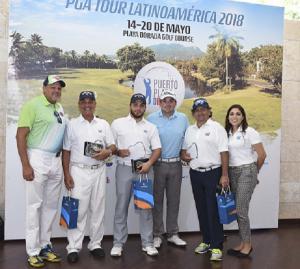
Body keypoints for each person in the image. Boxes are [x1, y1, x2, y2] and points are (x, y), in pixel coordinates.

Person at [16, 75, 67, 268]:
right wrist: (26, 165)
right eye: (53, 87)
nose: (56, 91)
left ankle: (45, 246)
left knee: (50, 207)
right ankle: (33, 251)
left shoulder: (59, 108)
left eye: (59, 88)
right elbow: (20, 136)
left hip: (55, 161)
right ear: (44, 88)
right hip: (37, 159)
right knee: (34, 206)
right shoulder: (32, 105)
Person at [62, 91, 116, 263]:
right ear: (79, 104)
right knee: (77, 210)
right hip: (79, 171)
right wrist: (66, 174)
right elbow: (66, 151)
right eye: (84, 102)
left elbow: (113, 146)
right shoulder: (72, 124)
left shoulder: (103, 124)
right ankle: (73, 247)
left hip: (99, 170)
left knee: (98, 208)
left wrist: (107, 151)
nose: (87, 105)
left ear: (95, 104)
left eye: (90, 102)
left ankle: (95, 244)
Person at [110, 93, 161, 257]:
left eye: (141, 105)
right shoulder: (118, 124)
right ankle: (118, 243)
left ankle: (148, 243)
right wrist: (118, 151)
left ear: (145, 107)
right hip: (124, 169)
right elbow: (110, 147)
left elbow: (157, 149)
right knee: (121, 207)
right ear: (130, 106)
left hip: (144, 170)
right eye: (135, 105)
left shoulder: (151, 127)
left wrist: (149, 164)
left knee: (145, 208)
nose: (138, 108)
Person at [181, 98, 229, 262]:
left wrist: (224, 174)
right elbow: (184, 152)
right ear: (193, 113)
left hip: (213, 173)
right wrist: (184, 156)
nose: (200, 113)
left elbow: (224, 153)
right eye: (197, 110)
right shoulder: (190, 130)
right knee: (201, 209)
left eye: (203, 109)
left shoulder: (217, 128)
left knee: (213, 210)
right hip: (195, 173)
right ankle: (207, 241)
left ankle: (217, 245)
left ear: (209, 111)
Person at [147, 90, 189, 248]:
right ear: (160, 102)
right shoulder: (151, 119)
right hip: (157, 164)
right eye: (165, 100)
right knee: (157, 201)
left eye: (171, 100)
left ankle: (172, 233)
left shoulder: (183, 119)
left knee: (174, 200)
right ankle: (157, 234)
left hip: (176, 164)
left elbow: (186, 140)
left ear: (175, 103)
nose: (168, 103)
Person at [225, 104, 266, 258]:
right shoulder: (227, 133)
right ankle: (243, 242)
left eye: (238, 114)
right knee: (238, 210)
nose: (234, 116)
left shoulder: (250, 132)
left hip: (246, 172)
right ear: (228, 117)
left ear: (243, 116)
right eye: (231, 114)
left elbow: (262, 155)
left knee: (241, 210)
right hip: (232, 172)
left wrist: (254, 173)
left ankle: (247, 245)